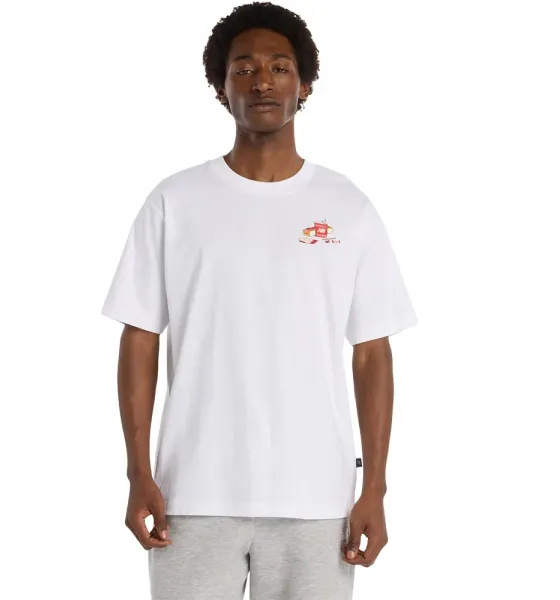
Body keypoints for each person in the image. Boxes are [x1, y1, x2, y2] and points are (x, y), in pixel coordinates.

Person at [100, 2, 418, 598]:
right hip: (192, 494)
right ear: (221, 89)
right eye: (243, 69)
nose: (262, 81)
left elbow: (372, 350)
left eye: (279, 67)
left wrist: (374, 485)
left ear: (305, 85)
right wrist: (138, 471)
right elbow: (140, 336)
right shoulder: (176, 201)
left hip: (317, 498)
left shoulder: (347, 206)